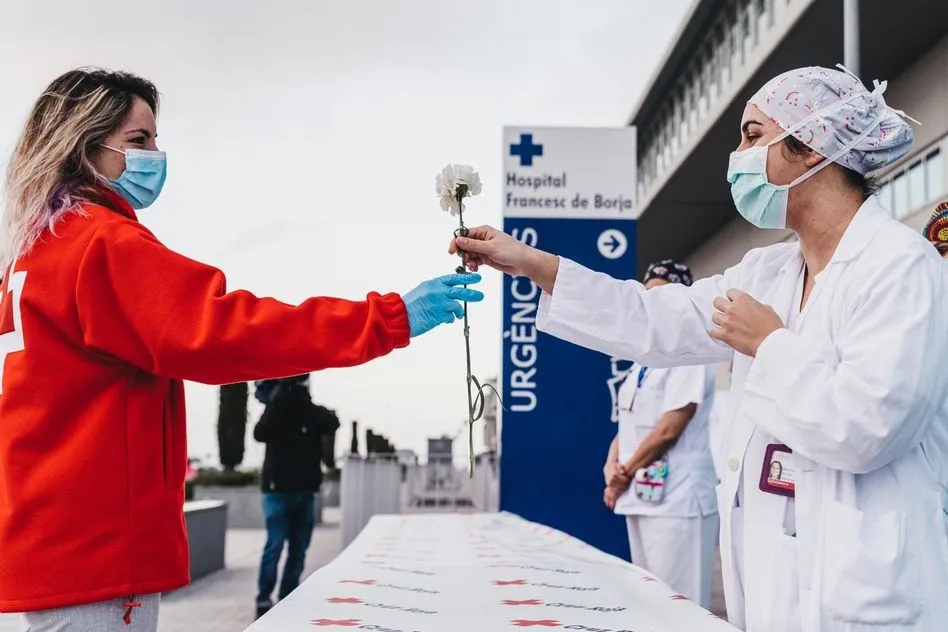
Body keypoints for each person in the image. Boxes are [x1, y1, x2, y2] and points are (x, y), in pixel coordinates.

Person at [451, 65, 948, 630]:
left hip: (869, 594)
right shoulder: (768, 272)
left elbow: (868, 428)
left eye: (753, 135)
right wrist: (532, 264)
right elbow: (650, 319)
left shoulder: (900, 266)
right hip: (780, 583)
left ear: (809, 147)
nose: (739, 155)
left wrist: (770, 344)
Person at [0, 68, 482, 631]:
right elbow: (229, 330)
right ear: (85, 147)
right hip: (98, 553)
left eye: (156, 138)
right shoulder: (102, 246)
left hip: (48, 544)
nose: (157, 154)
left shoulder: (29, 257)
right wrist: (387, 318)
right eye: (139, 141)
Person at [601, 260, 718, 609]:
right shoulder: (644, 360)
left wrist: (624, 474)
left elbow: (669, 427)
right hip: (641, 498)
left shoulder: (693, 352)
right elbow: (628, 421)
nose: (653, 304)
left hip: (678, 502)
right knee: (650, 606)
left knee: (679, 607)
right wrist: (612, 466)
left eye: (661, 295)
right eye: (647, 295)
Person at [252, 374, 339, 618]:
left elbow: (332, 422)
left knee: (297, 549)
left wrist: (297, 400)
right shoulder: (276, 409)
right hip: (277, 491)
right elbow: (260, 433)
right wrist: (278, 401)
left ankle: (286, 596)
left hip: (302, 491)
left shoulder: (307, 410)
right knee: (276, 546)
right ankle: (264, 600)